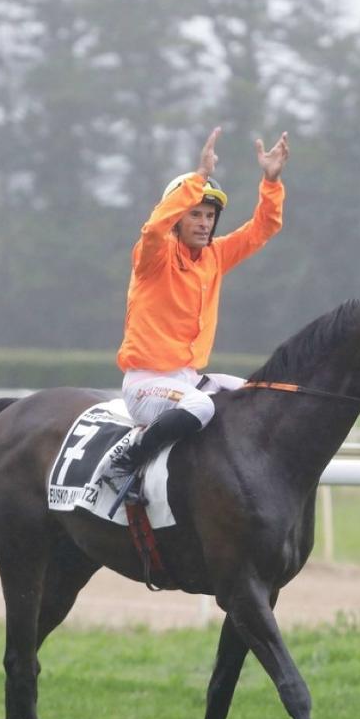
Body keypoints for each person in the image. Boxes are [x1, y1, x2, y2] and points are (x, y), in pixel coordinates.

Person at [109, 126, 289, 475]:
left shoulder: (215, 256)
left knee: (259, 393)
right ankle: (128, 462)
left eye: (209, 216)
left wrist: (271, 182)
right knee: (202, 407)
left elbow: (261, 229)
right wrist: (201, 176)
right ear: (177, 217)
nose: (205, 223)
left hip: (187, 378)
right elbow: (153, 229)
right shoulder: (153, 255)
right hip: (146, 385)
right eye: (195, 214)